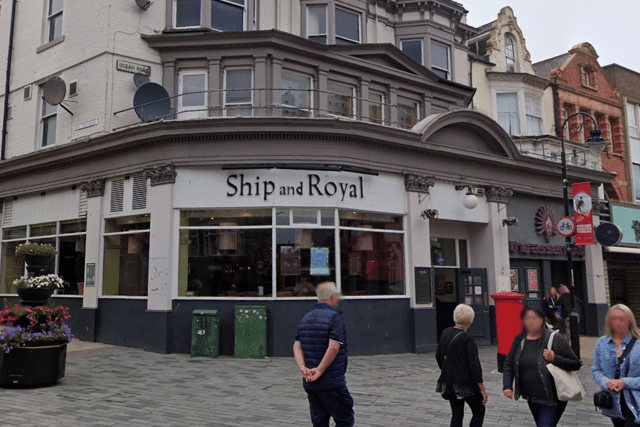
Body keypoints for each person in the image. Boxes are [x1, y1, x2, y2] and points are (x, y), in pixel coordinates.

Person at [503, 307, 581, 427]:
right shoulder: (520, 339)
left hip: (552, 398)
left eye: (534, 318)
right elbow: (509, 362)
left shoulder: (554, 338)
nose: (530, 321)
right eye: (527, 318)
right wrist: (507, 386)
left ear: (542, 320)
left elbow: (576, 363)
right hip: (532, 397)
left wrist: (555, 358)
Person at [293, 282, 354, 427]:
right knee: (345, 419)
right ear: (332, 297)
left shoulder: (306, 318)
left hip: (311, 384)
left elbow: (297, 346)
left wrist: (303, 367)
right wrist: (320, 370)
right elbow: (334, 346)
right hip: (332, 382)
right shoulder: (334, 318)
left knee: (319, 421)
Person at [436, 304, 487, 427]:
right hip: (466, 384)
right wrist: (482, 388)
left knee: (457, 414)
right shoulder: (467, 339)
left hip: (449, 382)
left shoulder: (445, 333)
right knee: (479, 411)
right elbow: (474, 365)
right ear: (470, 321)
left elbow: (438, 356)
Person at [592, 304, 640, 427]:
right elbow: (596, 371)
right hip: (614, 405)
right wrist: (606, 382)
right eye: (614, 319)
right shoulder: (601, 343)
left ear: (630, 321)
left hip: (637, 402)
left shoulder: (638, 344)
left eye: (621, 319)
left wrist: (623, 382)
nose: (617, 322)